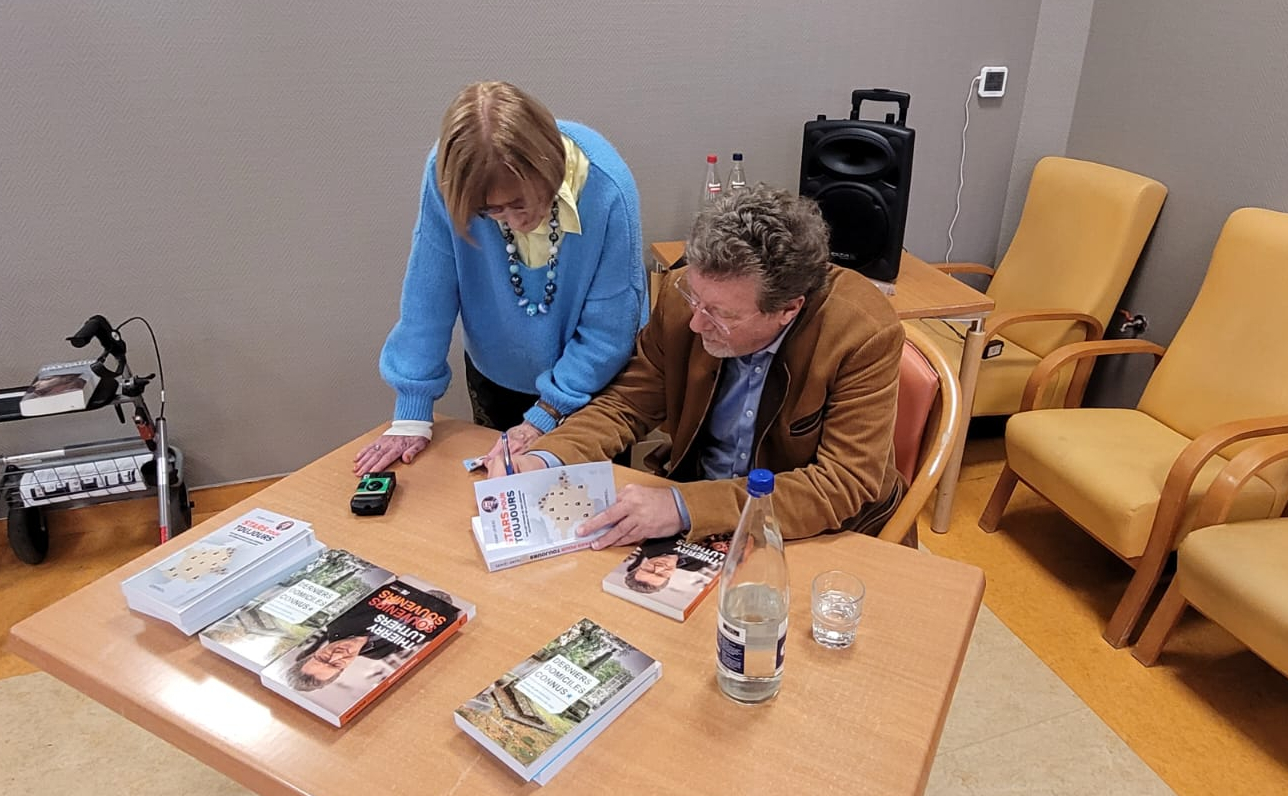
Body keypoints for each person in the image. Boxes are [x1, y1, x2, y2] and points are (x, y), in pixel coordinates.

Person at [492, 184, 909, 546]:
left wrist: (683, 506)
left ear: (787, 309)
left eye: (722, 315)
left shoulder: (862, 333)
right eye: (696, 300)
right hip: (703, 514)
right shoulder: (681, 297)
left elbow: (842, 484)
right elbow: (628, 404)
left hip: (815, 530)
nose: (696, 323)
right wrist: (547, 460)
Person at [354, 81, 648, 476]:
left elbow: (610, 330)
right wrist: (413, 409)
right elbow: (429, 294)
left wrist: (546, 415)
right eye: (490, 210)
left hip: (592, 391)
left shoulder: (607, 188)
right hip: (496, 373)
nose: (512, 221)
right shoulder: (447, 178)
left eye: (519, 203)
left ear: (548, 165)